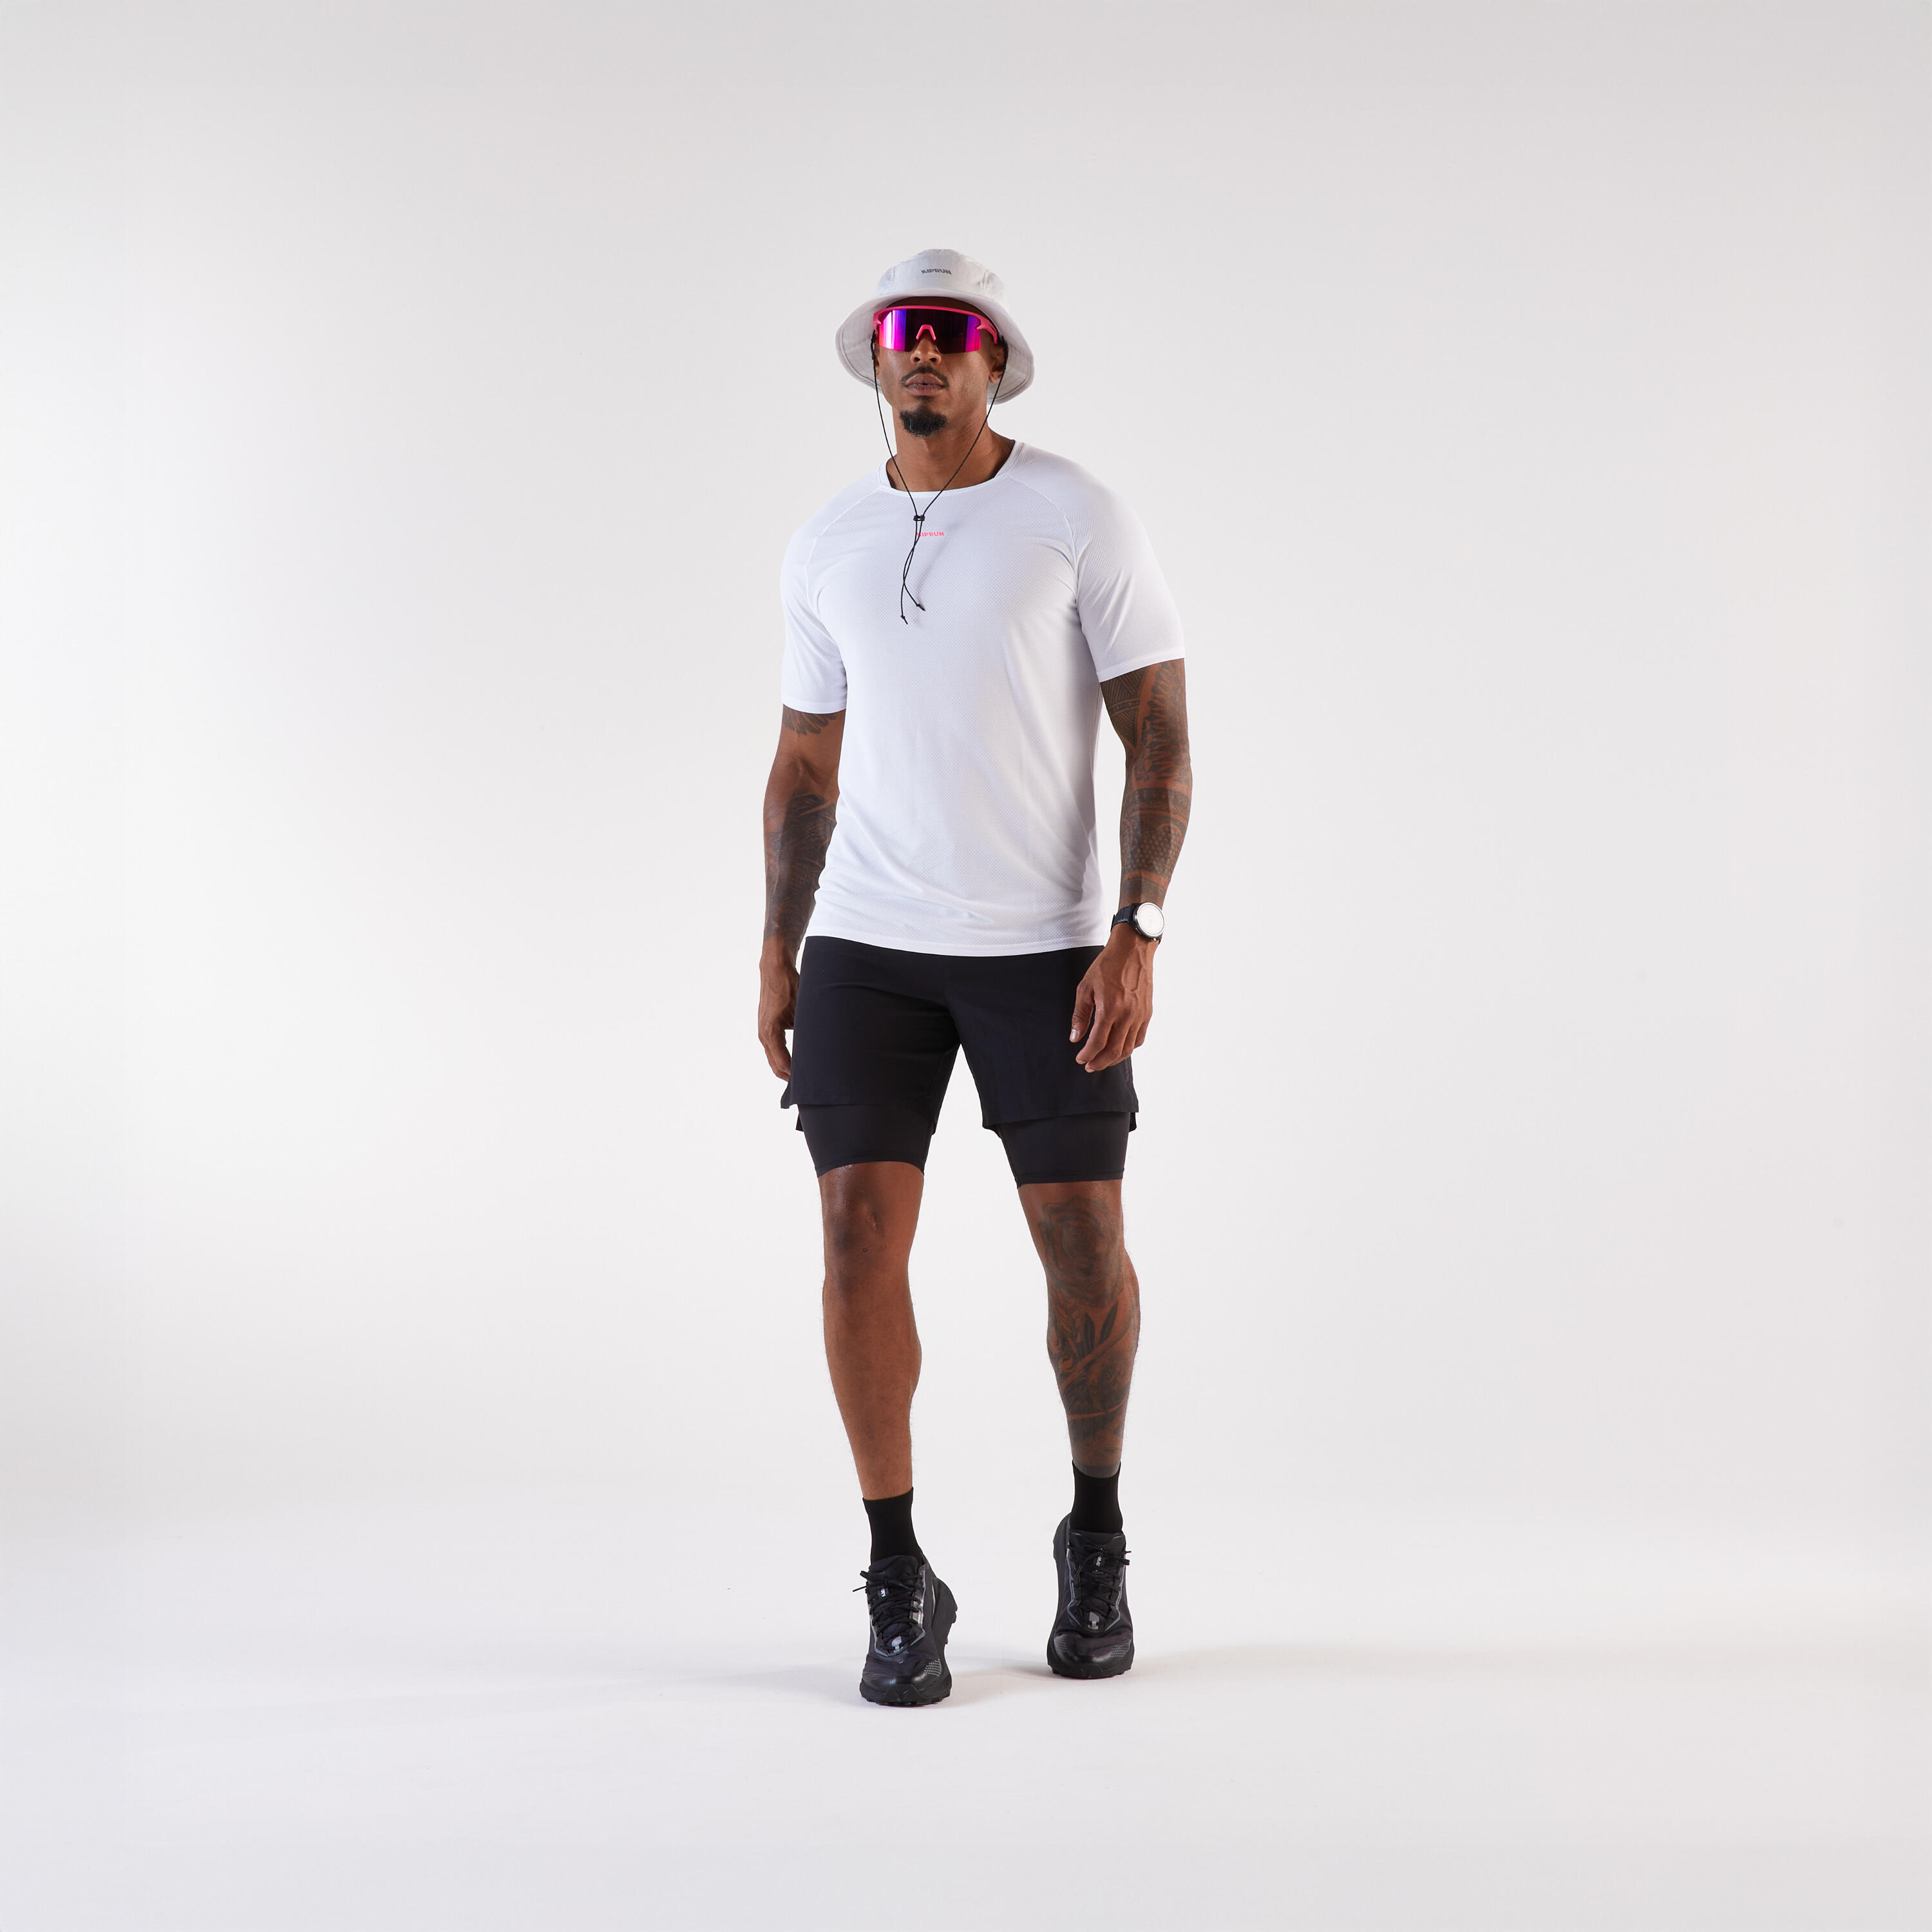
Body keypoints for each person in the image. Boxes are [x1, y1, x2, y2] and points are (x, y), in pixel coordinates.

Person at [757, 249, 1191, 1707]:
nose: (926, 350)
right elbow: (804, 763)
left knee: (1081, 1247)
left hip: (1045, 948)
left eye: (954, 330)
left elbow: (1160, 733)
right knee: (852, 1241)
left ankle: (1096, 1533)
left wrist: (1136, 929)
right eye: (904, 329)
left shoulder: (1074, 513)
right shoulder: (826, 542)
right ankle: (899, 1573)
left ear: (995, 357)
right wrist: (777, 951)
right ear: (876, 359)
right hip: (868, 947)